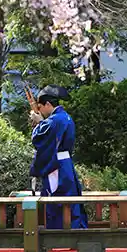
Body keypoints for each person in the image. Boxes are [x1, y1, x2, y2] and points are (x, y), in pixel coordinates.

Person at [30, 85, 88, 229]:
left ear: (48, 104)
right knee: (70, 198)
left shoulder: (54, 120)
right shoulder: (65, 117)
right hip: (65, 162)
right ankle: (73, 228)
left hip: (56, 165)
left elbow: (39, 138)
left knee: (56, 199)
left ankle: (59, 231)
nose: (41, 111)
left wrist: (39, 123)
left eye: (41, 107)